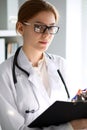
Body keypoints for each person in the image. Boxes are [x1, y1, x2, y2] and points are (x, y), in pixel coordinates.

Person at [0, 0, 87, 130]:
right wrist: (70, 127)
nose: (47, 34)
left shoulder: (61, 65)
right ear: (20, 28)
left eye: (51, 27)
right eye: (39, 27)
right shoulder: (4, 73)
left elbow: (74, 105)